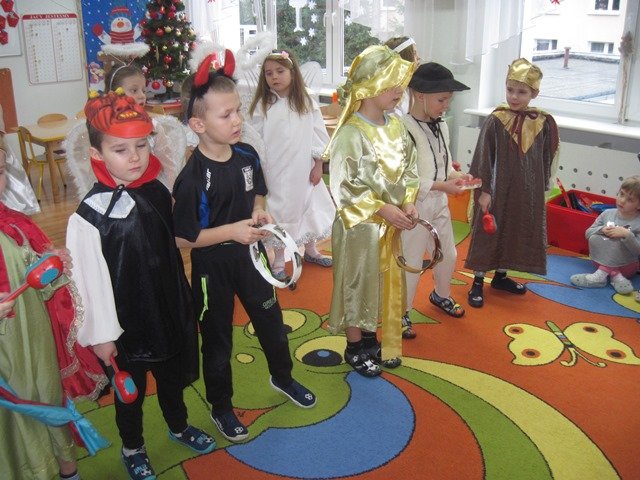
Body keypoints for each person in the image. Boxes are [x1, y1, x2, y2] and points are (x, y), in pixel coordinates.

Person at [66, 90, 215, 480]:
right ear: (97, 154)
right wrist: (101, 336)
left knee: (171, 378)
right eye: (120, 150)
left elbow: (171, 246)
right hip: (125, 325)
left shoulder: (156, 190)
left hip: (166, 308)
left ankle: (178, 424)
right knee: (128, 393)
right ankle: (133, 446)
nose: (134, 157)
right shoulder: (88, 215)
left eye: (141, 145)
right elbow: (85, 283)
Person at [172, 52, 317, 444]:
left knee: (272, 322)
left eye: (237, 110)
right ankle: (221, 406)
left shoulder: (247, 156)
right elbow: (182, 238)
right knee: (217, 341)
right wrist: (231, 231)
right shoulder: (192, 179)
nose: (237, 120)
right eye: (226, 115)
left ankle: (282, 377)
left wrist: (258, 213)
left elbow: (258, 195)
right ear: (198, 124)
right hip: (211, 268)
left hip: (252, 259)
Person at [1, 149, 108, 480]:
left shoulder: (16, 224)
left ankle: (67, 470)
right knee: (13, 417)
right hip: (5, 353)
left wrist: (53, 265)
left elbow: (41, 281)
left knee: (47, 394)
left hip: (35, 338)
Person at [326, 45, 418, 377]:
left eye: (400, 84)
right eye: (391, 84)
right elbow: (344, 186)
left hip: (388, 225)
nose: (399, 91)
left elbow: (410, 168)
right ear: (368, 85)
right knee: (356, 282)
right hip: (359, 227)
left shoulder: (396, 126)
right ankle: (354, 346)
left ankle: (370, 338)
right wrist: (382, 208)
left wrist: (408, 201)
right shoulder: (351, 133)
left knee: (379, 284)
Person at [464, 58, 560, 308]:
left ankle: (501, 276)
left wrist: (542, 187)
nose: (514, 97)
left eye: (521, 92)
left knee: (515, 228)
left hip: (526, 191)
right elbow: (483, 157)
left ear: (534, 93)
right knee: (490, 232)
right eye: (510, 90)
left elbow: (546, 156)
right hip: (497, 189)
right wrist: (484, 190)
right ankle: (478, 280)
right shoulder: (496, 120)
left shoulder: (542, 122)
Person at [248, 49, 335, 279]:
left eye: (280, 71)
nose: (274, 77)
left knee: (308, 205)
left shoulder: (305, 101)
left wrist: (318, 165)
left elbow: (318, 134)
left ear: (292, 73)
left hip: (303, 169)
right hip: (274, 172)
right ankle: (279, 259)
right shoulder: (263, 105)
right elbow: (255, 138)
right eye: (269, 73)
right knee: (280, 211)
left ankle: (311, 250)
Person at [400, 63, 471, 335]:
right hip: (413, 207)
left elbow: (444, 164)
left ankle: (441, 295)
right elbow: (403, 178)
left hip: (439, 202)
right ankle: (401, 312)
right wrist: (443, 185)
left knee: (448, 254)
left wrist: (457, 176)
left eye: (448, 100)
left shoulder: (441, 125)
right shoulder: (403, 129)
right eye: (441, 100)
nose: (446, 106)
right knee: (411, 262)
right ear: (420, 95)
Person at [570, 175, 640, 294]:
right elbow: (588, 233)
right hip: (599, 261)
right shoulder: (607, 213)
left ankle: (600, 276)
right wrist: (602, 229)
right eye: (621, 194)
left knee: (617, 242)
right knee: (594, 237)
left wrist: (627, 235)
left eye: (629, 200)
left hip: (626, 266)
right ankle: (615, 275)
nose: (622, 200)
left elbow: (637, 251)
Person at [383, 36, 421, 116]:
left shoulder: (408, 87)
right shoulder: (391, 92)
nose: (418, 57)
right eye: (414, 53)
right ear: (404, 57)